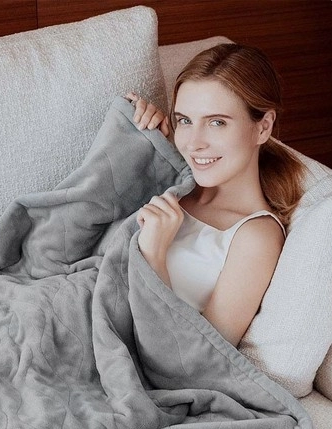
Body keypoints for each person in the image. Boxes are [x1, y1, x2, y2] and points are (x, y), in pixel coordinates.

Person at [126, 43, 305, 347]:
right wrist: (143, 141)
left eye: (216, 122)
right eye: (185, 120)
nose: (194, 143)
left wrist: (154, 257)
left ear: (263, 127)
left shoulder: (255, 237)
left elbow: (200, 359)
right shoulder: (174, 181)